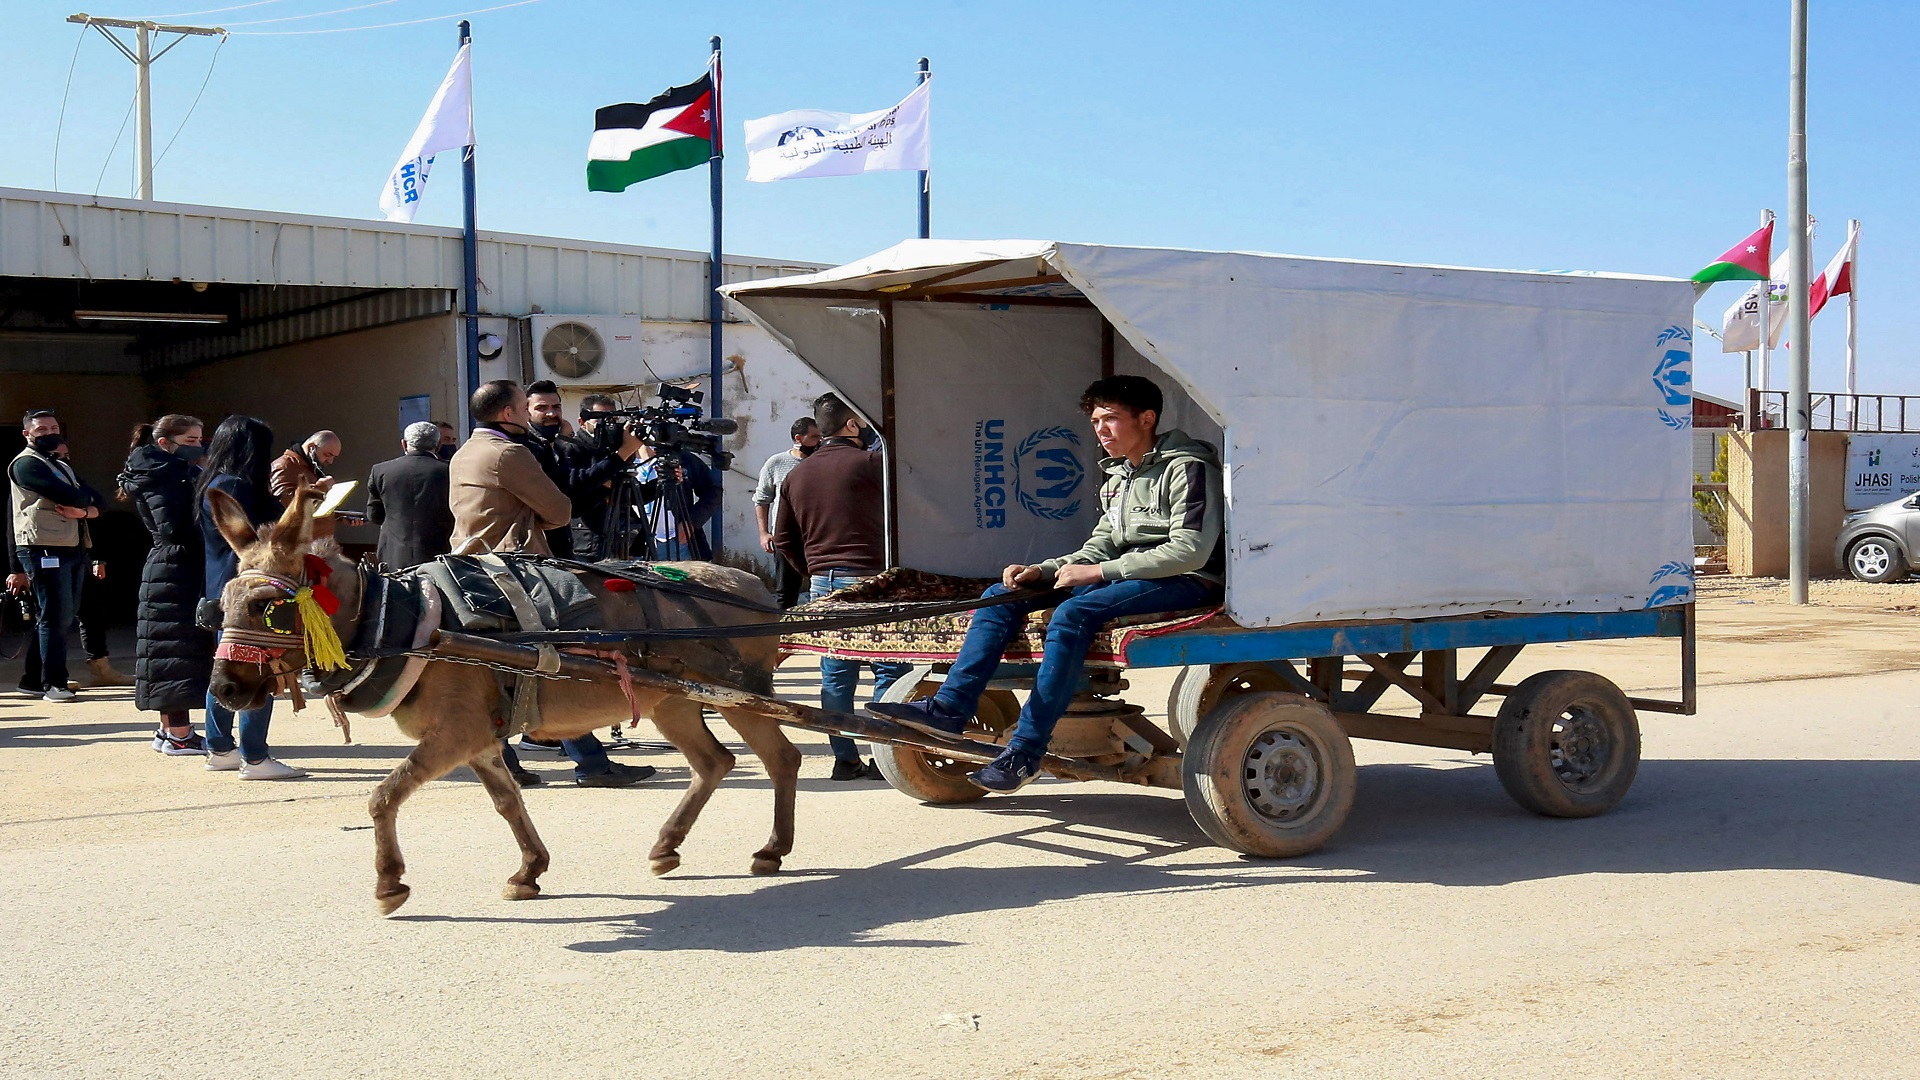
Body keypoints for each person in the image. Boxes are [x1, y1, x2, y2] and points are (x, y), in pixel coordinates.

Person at [869, 376, 1225, 792]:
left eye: (1110, 419)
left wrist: (1099, 573)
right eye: (1095, 421)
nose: (1101, 430)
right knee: (999, 596)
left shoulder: (1187, 467)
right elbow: (1101, 544)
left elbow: (1190, 551)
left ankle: (1026, 752)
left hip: (1186, 579)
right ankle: (949, 708)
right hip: (1130, 574)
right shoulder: (1118, 476)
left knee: (1073, 614)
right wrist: (1045, 570)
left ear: (1146, 419)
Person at [451, 380, 653, 789]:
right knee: (564, 657)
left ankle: (536, 762)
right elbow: (561, 510)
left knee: (505, 667)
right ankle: (590, 764)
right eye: (526, 406)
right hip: (516, 569)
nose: (534, 414)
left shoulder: (465, 450)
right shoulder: (510, 452)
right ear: (508, 413)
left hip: (472, 566)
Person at [772, 394, 910, 781]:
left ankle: (845, 759)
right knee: (890, 670)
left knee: (836, 674)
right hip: (873, 580)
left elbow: (783, 538)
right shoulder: (873, 464)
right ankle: (884, 758)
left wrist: (816, 569)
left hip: (824, 583)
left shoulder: (796, 475)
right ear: (851, 424)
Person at [196, 415, 308, 779]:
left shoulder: (213, 481)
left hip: (222, 589)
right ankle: (255, 757)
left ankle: (219, 748)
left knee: (226, 667)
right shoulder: (238, 486)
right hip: (253, 593)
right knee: (259, 669)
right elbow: (267, 537)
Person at [118, 415, 213, 755]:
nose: (198, 447)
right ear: (164, 443)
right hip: (174, 568)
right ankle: (179, 735)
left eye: (200, 439)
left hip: (174, 566)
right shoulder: (165, 474)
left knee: (173, 650)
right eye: (190, 441)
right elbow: (174, 528)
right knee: (175, 652)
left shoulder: (169, 471)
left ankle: (169, 730)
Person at [8, 410, 104, 703]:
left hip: (71, 546)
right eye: (42, 429)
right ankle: (54, 683)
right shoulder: (26, 464)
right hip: (43, 548)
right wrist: (84, 504)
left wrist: (84, 510)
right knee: (54, 616)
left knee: (61, 616)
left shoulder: (59, 464)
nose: (49, 433)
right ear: (27, 434)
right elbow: (74, 496)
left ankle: (33, 680)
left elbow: (97, 498)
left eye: (53, 428)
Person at [366, 421, 454, 569]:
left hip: (393, 555)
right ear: (439, 445)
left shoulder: (381, 471)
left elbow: (375, 516)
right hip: (439, 554)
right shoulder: (450, 470)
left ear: (404, 444)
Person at [754, 416, 820, 608]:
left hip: (817, 536)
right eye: (814, 437)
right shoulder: (777, 463)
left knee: (821, 590)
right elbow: (761, 499)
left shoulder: (822, 462)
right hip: (787, 538)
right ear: (798, 438)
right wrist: (764, 533)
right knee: (786, 592)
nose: (819, 441)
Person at [269, 429, 339, 507]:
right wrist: (320, 488)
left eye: (334, 457)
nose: (330, 461)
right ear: (311, 447)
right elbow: (283, 504)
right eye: (327, 455)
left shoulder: (311, 468)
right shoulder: (284, 465)